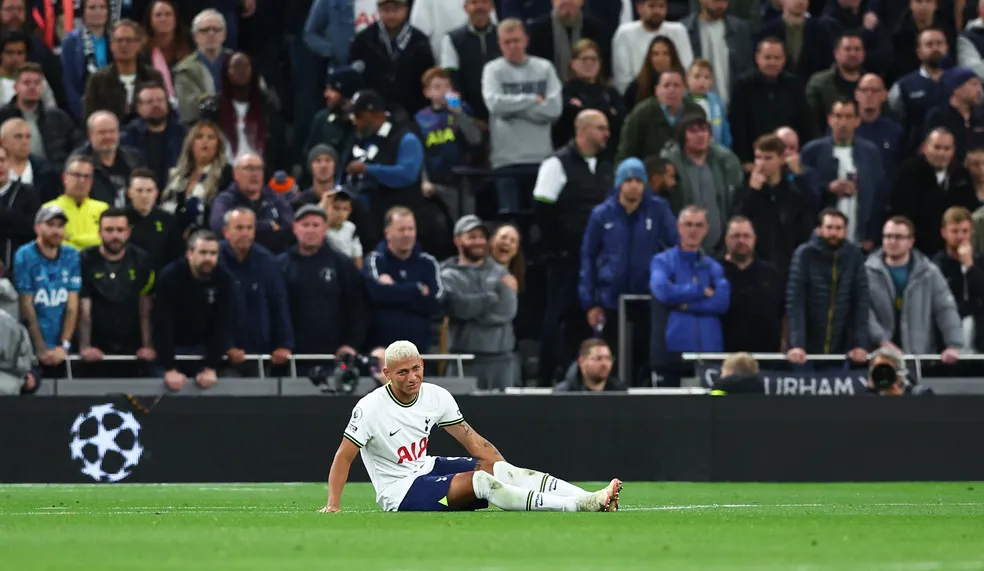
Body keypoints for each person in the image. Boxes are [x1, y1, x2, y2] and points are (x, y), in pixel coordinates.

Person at [318, 339, 622, 513]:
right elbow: (344, 456)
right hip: (400, 491)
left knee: (499, 471)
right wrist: (333, 504)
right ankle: (578, 506)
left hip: (425, 468)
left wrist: (507, 473)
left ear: (422, 363)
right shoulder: (370, 408)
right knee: (482, 484)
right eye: (402, 373)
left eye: (416, 368)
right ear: (386, 373)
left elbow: (472, 440)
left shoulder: (436, 396)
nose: (412, 377)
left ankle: (593, 497)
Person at [579, 157, 678, 384]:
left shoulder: (659, 210)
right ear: (619, 184)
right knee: (611, 356)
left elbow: (674, 248)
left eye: (638, 180)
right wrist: (590, 302)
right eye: (628, 180)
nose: (633, 185)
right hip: (610, 299)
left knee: (645, 356)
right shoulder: (602, 214)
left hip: (647, 298)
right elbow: (588, 257)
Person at [532, 109, 612, 385]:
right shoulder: (556, 164)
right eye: (601, 128)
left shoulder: (606, 165)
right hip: (566, 258)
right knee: (558, 315)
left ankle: (583, 377)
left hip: (596, 260)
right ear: (584, 130)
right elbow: (542, 210)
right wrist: (562, 246)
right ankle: (545, 378)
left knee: (586, 319)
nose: (607, 133)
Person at [481, 18, 562, 216]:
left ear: (526, 40)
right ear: (499, 44)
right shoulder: (492, 70)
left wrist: (513, 107)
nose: (513, 46)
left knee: (542, 221)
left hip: (541, 159)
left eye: (516, 40)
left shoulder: (545, 68)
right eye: (507, 42)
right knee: (510, 221)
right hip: (506, 160)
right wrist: (534, 99)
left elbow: (554, 109)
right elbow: (495, 105)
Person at [278, 204, 369, 375]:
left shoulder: (343, 265)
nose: (310, 230)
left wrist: (352, 344)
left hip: (334, 357)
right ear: (295, 228)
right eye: (305, 225)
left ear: (325, 229)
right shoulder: (280, 266)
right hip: (290, 358)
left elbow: (357, 308)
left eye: (316, 225)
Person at [649, 205, 731, 386]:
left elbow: (722, 302)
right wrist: (700, 291)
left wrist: (689, 305)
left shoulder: (714, 267)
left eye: (698, 225)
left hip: (710, 355)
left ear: (706, 229)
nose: (693, 230)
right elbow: (664, 292)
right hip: (672, 355)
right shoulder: (662, 261)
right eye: (688, 224)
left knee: (711, 410)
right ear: (679, 227)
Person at [866, 215, 962, 363]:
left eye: (898, 237)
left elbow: (945, 309)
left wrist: (953, 344)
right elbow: (864, 311)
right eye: (887, 236)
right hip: (878, 355)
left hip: (918, 356)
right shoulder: (867, 271)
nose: (892, 241)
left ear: (911, 242)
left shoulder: (929, 272)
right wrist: (882, 340)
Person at [441, 215, 518, 390]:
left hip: (501, 360)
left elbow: (507, 310)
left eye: (482, 237)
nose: (479, 241)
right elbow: (458, 308)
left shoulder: (501, 273)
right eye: (472, 237)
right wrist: (490, 298)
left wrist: (474, 308)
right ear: (457, 240)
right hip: (464, 360)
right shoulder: (447, 275)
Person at [800, 97, 888, 251]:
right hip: (819, 240)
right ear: (829, 119)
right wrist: (827, 188)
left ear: (857, 121)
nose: (843, 122)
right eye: (838, 116)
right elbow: (802, 191)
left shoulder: (870, 152)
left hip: (859, 238)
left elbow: (879, 196)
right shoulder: (812, 151)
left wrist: (871, 235)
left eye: (848, 117)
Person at [786, 208, 869, 368]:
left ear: (845, 231)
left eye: (838, 228)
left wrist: (860, 344)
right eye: (829, 227)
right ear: (819, 229)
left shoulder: (854, 255)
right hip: (806, 349)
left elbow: (861, 301)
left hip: (842, 348)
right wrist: (796, 344)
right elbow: (795, 302)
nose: (833, 233)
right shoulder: (804, 254)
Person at [77, 208, 156, 377]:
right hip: (97, 344)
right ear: (99, 232)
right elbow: (84, 309)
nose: (115, 236)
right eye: (109, 230)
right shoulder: (85, 259)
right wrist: (85, 346)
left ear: (128, 232)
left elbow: (145, 306)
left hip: (131, 343)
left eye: (120, 230)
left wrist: (147, 345)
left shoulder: (142, 259)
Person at [153, 230, 235, 391]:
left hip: (203, 348)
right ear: (189, 253)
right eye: (203, 252)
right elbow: (163, 322)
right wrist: (170, 368)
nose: (208, 258)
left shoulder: (224, 279)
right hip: (172, 346)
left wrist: (211, 367)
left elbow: (222, 323)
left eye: (213, 253)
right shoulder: (170, 277)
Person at [219, 207, 293, 375]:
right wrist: (225, 346)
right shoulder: (214, 260)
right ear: (226, 231)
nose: (245, 233)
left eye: (249, 228)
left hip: (261, 354)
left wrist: (284, 344)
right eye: (239, 228)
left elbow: (278, 304)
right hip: (221, 356)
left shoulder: (267, 261)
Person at [364, 206, 445, 352]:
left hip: (419, 350)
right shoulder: (375, 260)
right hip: (382, 350)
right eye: (401, 230)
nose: (407, 234)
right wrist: (417, 289)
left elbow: (436, 303)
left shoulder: (428, 263)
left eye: (411, 229)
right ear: (387, 233)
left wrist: (393, 292)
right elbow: (376, 293)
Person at [13, 204, 81, 379]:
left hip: (62, 346)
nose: (56, 231)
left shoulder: (71, 255)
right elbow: (25, 304)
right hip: (31, 346)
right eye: (50, 225)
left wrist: (64, 346)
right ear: (37, 228)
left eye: (60, 226)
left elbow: (72, 305)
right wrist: (41, 348)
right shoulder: (24, 255)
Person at [732, 134, 812, 279]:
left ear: (781, 159)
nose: (761, 163)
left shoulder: (793, 191)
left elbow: (806, 221)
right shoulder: (744, 188)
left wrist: (800, 176)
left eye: (768, 158)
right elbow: (737, 220)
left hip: (787, 264)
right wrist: (753, 192)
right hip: (755, 265)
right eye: (758, 157)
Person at [889, 128, 977, 257]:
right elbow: (901, 211)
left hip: (954, 251)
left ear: (953, 151)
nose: (941, 153)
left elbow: (969, 211)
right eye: (937, 147)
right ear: (925, 148)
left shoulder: (961, 175)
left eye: (947, 149)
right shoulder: (908, 172)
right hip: (918, 250)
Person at [348, 0, 434, 119]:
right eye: (386, 9)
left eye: (396, 9)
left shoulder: (419, 40)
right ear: (378, 10)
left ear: (406, 9)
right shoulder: (364, 40)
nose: (391, 15)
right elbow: (355, 77)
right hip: (373, 111)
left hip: (412, 110)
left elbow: (427, 78)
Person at [719, 216, 784, 353]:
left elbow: (784, 312)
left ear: (754, 239)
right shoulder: (713, 271)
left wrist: (785, 342)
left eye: (746, 236)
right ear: (726, 239)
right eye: (736, 236)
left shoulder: (771, 272)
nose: (741, 241)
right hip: (724, 357)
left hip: (767, 358)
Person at [209, 152, 295, 254]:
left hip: (272, 260)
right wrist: (268, 227)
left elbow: (290, 227)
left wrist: (240, 229)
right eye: (249, 168)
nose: (255, 174)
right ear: (235, 174)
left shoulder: (274, 198)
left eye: (259, 169)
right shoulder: (225, 199)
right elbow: (219, 226)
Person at [611, 0, 692, 94]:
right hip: (637, 97)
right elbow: (622, 81)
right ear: (639, 8)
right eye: (652, 6)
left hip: (676, 94)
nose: (657, 11)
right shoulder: (624, 33)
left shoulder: (679, 31)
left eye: (661, 6)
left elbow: (687, 69)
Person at [937, 207, 984, 354]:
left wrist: (970, 266)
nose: (960, 236)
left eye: (965, 231)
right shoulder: (936, 266)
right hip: (947, 341)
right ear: (944, 233)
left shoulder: (981, 262)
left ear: (972, 232)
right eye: (955, 231)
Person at [44, 155, 109, 251]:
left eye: (87, 176)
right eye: (77, 175)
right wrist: (93, 240)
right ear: (64, 178)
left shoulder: (103, 209)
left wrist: (72, 239)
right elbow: (52, 245)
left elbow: (108, 241)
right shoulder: (49, 209)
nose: (82, 181)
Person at [125, 168, 183, 274]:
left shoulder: (169, 220)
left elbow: (177, 257)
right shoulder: (120, 219)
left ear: (156, 193)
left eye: (149, 190)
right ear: (129, 192)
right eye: (139, 190)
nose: (144, 195)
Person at [0, 145, 37, 268]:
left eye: (2, 160)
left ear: (9, 163)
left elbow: (32, 228)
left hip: (21, 269)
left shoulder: (26, 193)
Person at [686, 59, 731, 148]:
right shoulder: (682, 101)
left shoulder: (716, 100)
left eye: (707, 77)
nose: (702, 81)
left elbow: (724, 130)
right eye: (697, 76)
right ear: (687, 78)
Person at [554, 338, 627, 392]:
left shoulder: (619, 391)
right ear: (582, 361)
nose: (604, 364)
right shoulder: (564, 393)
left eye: (608, 358)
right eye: (598, 358)